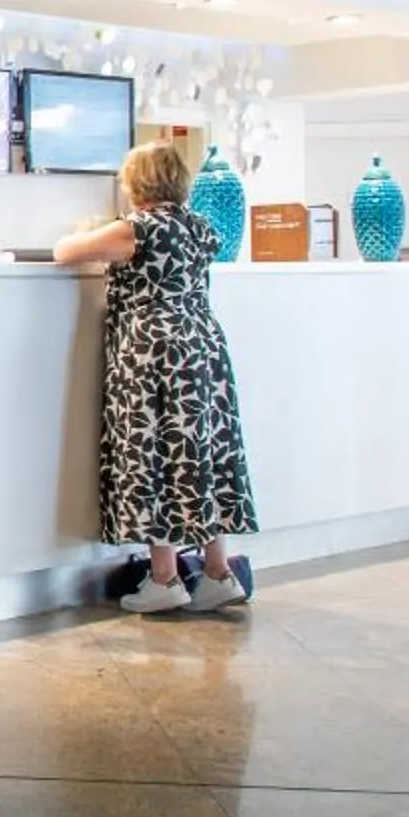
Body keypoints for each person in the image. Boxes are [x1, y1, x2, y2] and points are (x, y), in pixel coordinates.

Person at [52, 140, 257, 612]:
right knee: (199, 452)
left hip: (152, 351)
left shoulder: (138, 229)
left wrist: (100, 229)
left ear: (136, 183)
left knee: (153, 454)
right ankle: (217, 571)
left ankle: (164, 578)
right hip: (203, 346)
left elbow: (65, 251)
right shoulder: (199, 228)